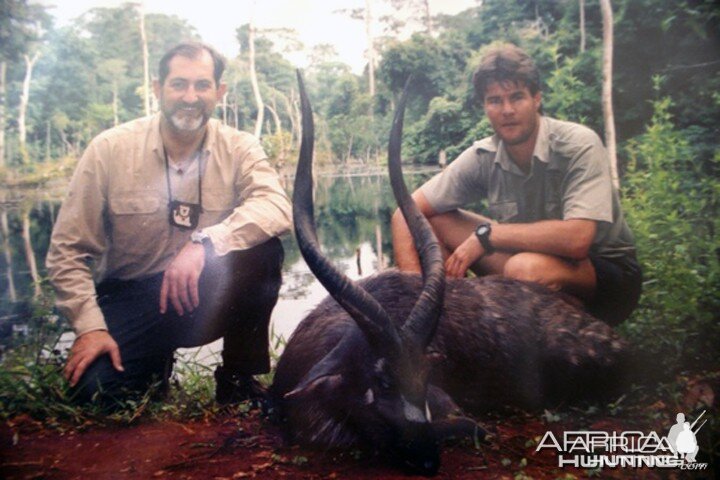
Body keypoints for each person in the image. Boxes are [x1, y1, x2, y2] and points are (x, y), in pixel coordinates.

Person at [46, 42, 292, 406]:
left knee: (263, 251)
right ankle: (151, 366)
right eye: (178, 84)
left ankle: (237, 377)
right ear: (157, 89)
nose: (190, 97)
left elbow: (275, 206)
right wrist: (90, 327)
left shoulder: (239, 147)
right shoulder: (109, 149)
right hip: (131, 297)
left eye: (201, 85)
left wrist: (205, 243)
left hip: (204, 290)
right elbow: (66, 252)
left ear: (218, 92)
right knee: (97, 395)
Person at [391, 43, 641, 326]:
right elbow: (405, 213)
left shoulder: (578, 144)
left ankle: (561, 344)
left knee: (523, 268)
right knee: (434, 221)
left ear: (537, 99)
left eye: (517, 97)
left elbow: (577, 240)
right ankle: (446, 324)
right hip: (531, 264)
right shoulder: (483, 155)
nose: (507, 110)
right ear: (485, 107)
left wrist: (488, 236)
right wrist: (415, 301)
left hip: (607, 276)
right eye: (495, 100)